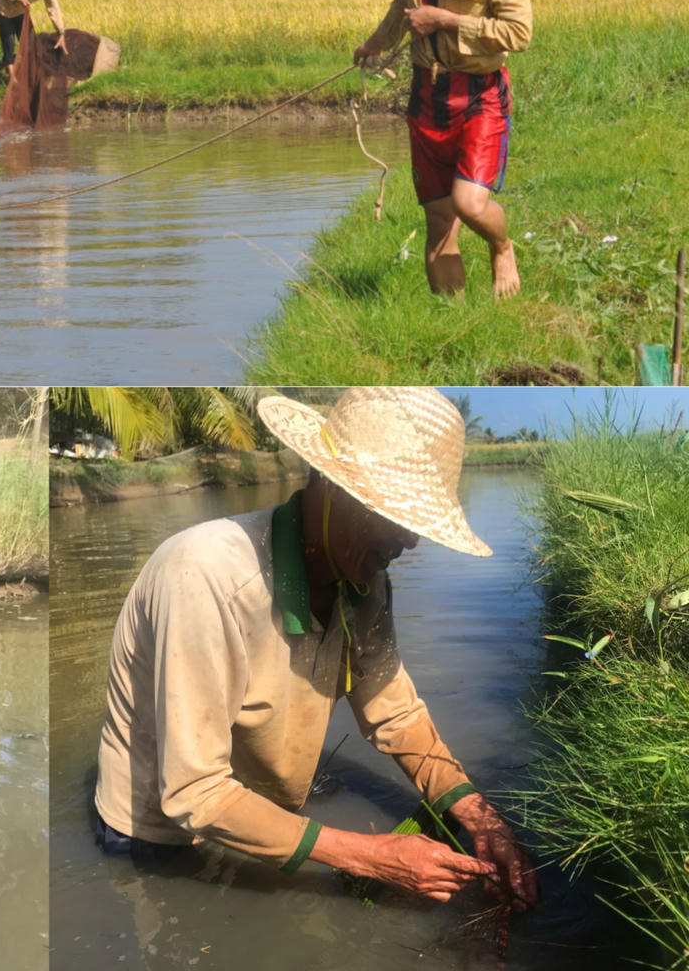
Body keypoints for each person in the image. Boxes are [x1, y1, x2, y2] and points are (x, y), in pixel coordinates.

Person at [94, 386, 538, 909]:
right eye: (391, 515)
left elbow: (394, 712)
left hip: (259, 810)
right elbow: (194, 792)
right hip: (158, 831)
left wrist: (478, 815)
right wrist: (371, 855)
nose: (409, 541)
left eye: (415, 523)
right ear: (330, 485)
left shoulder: (362, 579)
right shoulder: (205, 574)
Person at [353, 0, 532, 300]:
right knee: (437, 219)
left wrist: (447, 20)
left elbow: (517, 32)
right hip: (426, 94)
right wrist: (377, 44)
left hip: (478, 94)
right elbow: (402, 7)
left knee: (469, 204)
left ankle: (502, 245)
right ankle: (451, 321)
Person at [0, 0, 66, 83]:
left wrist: (61, 33)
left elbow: (53, 8)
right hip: (4, 10)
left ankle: (27, 71)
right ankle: (12, 79)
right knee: (9, 43)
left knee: (30, 43)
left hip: (21, 13)